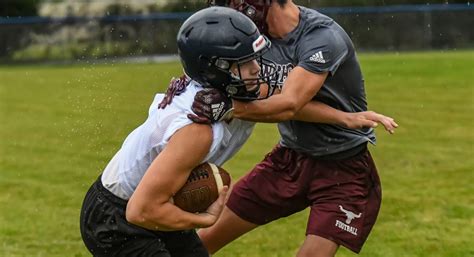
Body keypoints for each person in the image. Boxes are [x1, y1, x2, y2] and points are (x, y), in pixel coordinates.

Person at [186, 1, 399, 256]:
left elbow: (289, 104)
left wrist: (230, 106)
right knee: (199, 244)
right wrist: (343, 118)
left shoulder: (322, 37)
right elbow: (266, 93)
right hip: (288, 160)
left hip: (344, 169)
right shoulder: (254, 39)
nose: (233, 10)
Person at [79, 6, 279, 257]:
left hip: (149, 201)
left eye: (254, 58)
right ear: (214, 68)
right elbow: (140, 211)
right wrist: (205, 219)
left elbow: (287, 106)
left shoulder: (221, 95)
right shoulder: (197, 131)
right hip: (117, 219)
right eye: (243, 62)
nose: (256, 69)